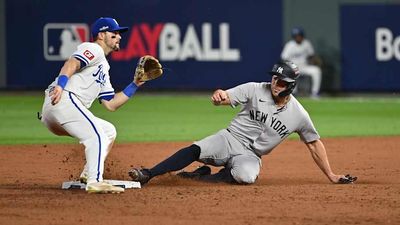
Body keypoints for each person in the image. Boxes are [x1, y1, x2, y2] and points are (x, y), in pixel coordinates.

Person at [128, 60, 357, 185]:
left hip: (251, 155)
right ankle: (149, 173)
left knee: (245, 178)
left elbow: (314, 143)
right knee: (196, 149)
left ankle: (200, 177)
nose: (275, 83)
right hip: (229, 138)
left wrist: (331, 175)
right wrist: (219, 96)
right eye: (274, 78)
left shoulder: (298, 114)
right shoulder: (254, 88)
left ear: (292, 85)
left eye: (282, 81)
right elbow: (226, 97)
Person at [41, 17, 145, 194]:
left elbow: (111, 104)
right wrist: (61, 84)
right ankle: (95, 181)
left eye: (119, 33)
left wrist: (135, 84)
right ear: (101, 34)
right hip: (64, 100)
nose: (119, 37)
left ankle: (88, 173)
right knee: (97, 136)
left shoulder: (104, 67)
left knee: (108, 131)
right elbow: (72, 63)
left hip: (59, 112)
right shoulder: (93, 48)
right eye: (114, 33)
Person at [281, 27, 322, 98]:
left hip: (304, 66)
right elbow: (284, 59)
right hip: (293, 66)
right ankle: (293, 93)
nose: (298, 37)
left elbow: (311, 56)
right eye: (296, 36)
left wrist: (315, 61)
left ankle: (315, 93)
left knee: (316, 71)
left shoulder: (306, 43)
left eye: (300, 36)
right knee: (291, 71)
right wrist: (292, 66)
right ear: (294, 37)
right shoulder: (290, 45)